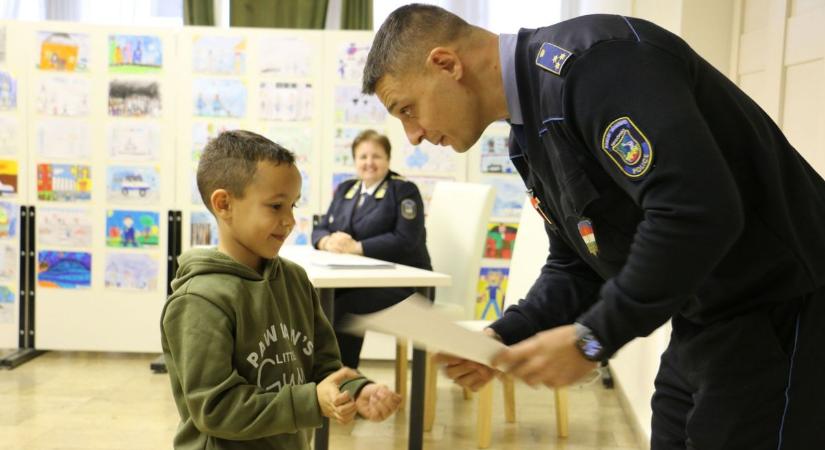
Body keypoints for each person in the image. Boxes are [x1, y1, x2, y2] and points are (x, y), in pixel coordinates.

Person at [362, 5, 825, 449]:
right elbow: (577, 263)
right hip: (705, 318)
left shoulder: (596, 65)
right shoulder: (528, 135)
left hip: (786, 303)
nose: (414, 135)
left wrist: (591, 337)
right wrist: (505, 337)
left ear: (445, 64)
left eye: (407, 109)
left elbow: (695, 209)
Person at [160, 130, 401, 450]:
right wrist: (310, 401)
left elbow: (324, 366)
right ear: (224, 204)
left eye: (292, 205)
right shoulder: (199, 301)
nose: (289, 220)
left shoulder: (295, 281)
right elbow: (216, 409)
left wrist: (356, 390)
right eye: (275, 206)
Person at [312, 129, 431, 368]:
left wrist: (356, 247)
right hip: (360, 282)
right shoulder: (347, 189)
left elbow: (405, 239)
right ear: (355, 160)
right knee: (318, 299)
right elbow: (320, 227)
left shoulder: (404, 191)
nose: (369, 163)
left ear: (388, 159)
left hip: (405, 287)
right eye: (363, 157)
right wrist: (327, 242)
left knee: (342, 306)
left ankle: (344, 379)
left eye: (376, 156)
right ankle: (323, 376)